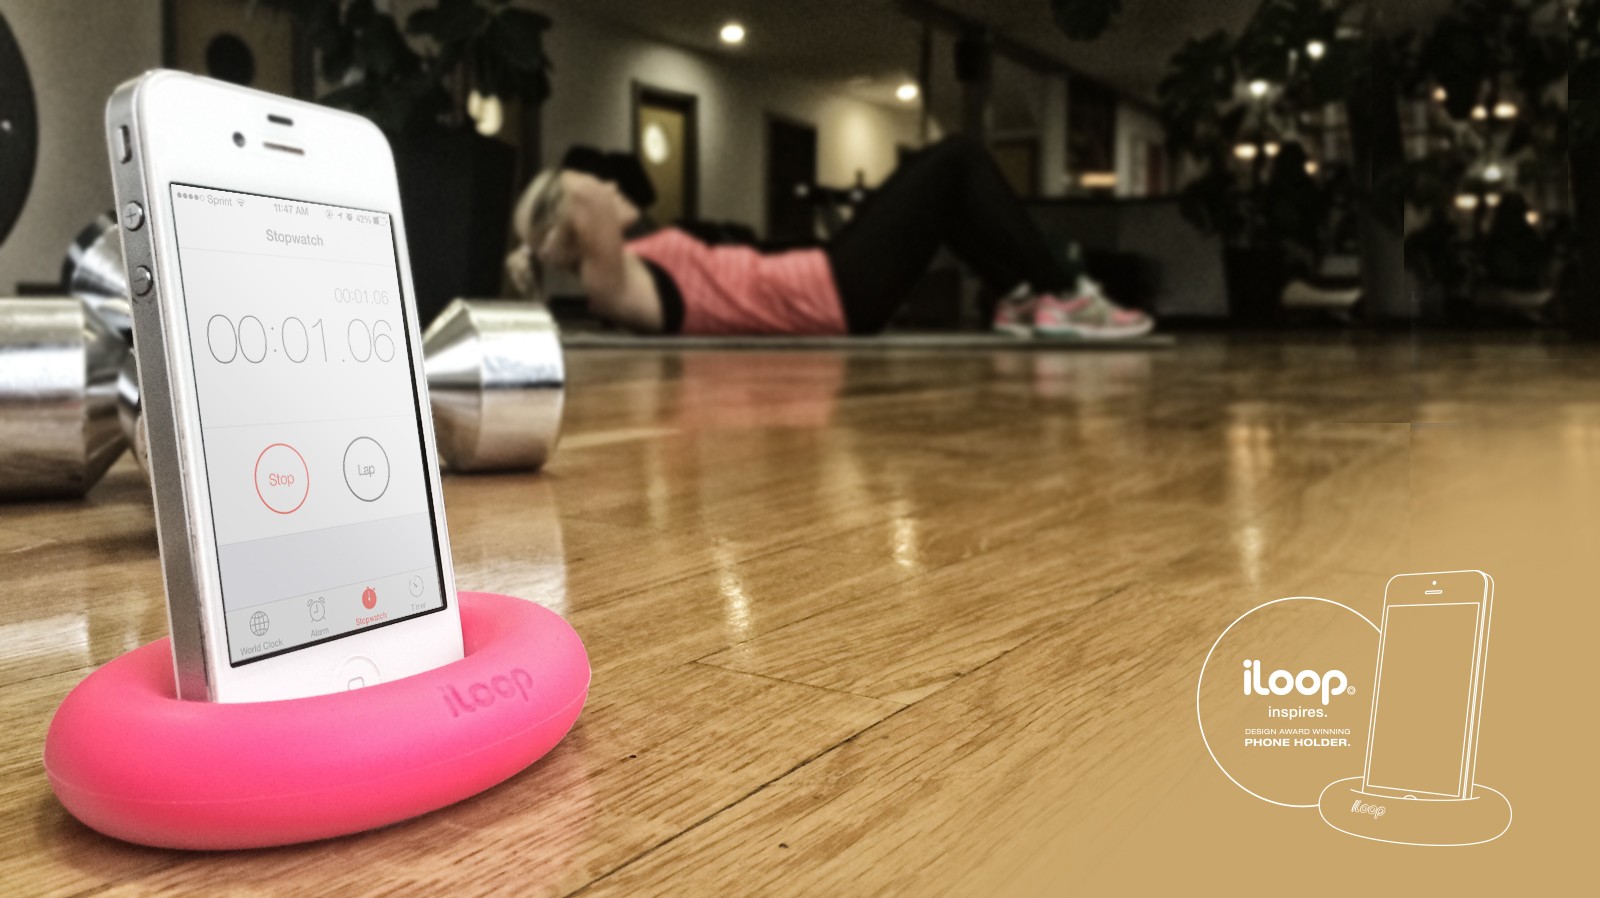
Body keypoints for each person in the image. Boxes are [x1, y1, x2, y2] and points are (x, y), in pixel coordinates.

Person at [506, 135, 1153, 339]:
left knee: (947, 201)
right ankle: (1064, 294)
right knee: (957, 159)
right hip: (835, 293)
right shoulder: (618, 289)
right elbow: (585, 195)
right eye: (596, 190)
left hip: (829, 277)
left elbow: (587, 197)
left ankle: (1024, 298)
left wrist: (544, 237)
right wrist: (540, 236)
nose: (611, 188)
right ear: (573, 224)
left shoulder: (638, 260)